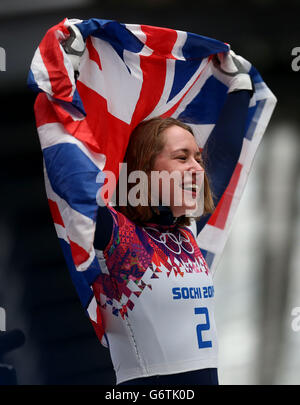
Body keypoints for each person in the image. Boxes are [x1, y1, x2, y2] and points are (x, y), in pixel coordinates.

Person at [64, 25, 254, 385]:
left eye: (197, 157)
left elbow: (226, 155)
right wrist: (67, 82)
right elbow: (75, 172)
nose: (197, 167)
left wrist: (239, 84)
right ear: (146, 170)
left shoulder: (187, 230)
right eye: (182, 157)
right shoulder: (115, 234)